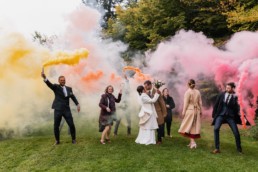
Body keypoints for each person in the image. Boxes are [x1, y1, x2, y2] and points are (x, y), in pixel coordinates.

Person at [41, 69, 80, 145]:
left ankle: (74, 139)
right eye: (61, 80)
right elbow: (49, 84)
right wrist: (45, 77)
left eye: (64, 80)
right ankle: (57, 141)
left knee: (71, 124)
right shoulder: (56, 87)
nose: (63, 81)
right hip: (58, 109)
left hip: (66, 110)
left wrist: (77, 104)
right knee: (56, 126)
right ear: (59, 81)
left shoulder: (69, 89)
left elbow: (73, 97)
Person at [212, 82, 242, 154]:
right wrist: (214, 115)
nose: (227, 89)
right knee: (216, 129)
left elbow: (238, 107)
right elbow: (216, 104)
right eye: (226, 87)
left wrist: (240, 112)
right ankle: (217, 148)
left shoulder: (236, 96)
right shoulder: (221, 94)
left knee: (236, 133)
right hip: (220, 115)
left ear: (232, 89)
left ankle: (239, 150)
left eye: (228, 88)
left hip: (230, 117)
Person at [178, 79, 202, 149]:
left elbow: (186, 103)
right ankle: (191, 142)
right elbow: (200, 102)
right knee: (193, 126)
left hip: (190, 110)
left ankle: (193, 142)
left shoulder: (187, 92)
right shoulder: (198, 91)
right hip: (196, 110)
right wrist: (201, 110)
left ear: (188, 84)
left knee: (188, 126)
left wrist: (183, 112)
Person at [144, 80, 167, 144]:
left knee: (159, 125)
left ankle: (159, 140)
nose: (145, 87)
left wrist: (164, 113)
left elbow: (162, 102)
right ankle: (151, 139)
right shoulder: (145, 92)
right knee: (151, 126)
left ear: (150, 85)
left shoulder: (157, 91)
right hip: (150, 112)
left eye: (146, 86)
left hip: (158, 112)